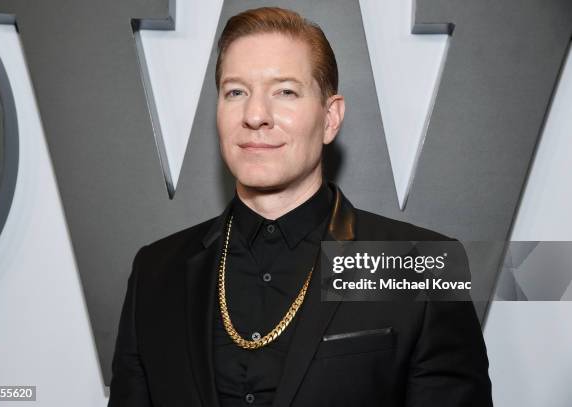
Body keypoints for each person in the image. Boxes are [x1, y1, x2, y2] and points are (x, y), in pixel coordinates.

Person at [108, 7, 492, 407]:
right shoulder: (157, 270)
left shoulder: (413, 266)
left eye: (285, 92)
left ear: (330, 118)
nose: (255, 115)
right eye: (235, 92)